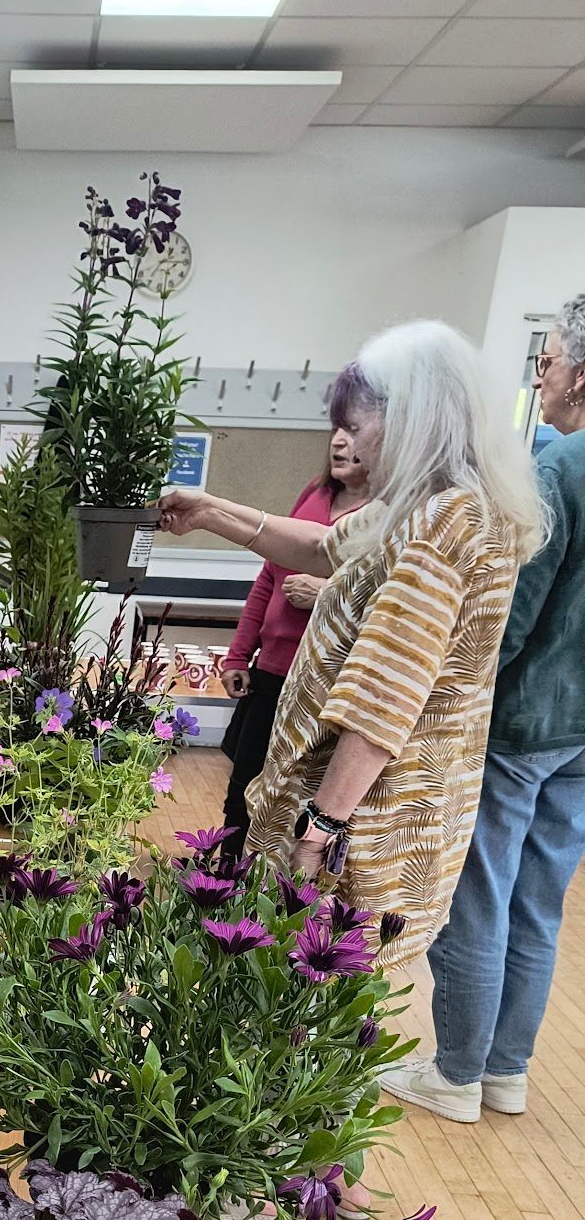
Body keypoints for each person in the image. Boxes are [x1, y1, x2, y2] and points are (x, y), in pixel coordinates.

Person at [159, 319, 546, 975]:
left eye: (362, 423)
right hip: (375, 806)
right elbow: (319, 546)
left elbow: (385, 693)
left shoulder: (445, 519)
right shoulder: (429, 502)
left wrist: (319, 832)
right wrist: (209, 511)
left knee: (304, 991)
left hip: (361, 818)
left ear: (410, 418)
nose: (355, 442)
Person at [383, 296, 585, 1123]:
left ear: (582, 375)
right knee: (541, 899)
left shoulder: (560, 469)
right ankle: (506, 1071)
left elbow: (510, 611)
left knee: (479, 891)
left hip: (521, 724)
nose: (541, 379)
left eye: (549, 363)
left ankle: (457, 1073)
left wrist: (446, 703)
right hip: (581, 735)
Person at [219, 427, 370, 844]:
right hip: (270, 672)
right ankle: (222, 887)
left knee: (294, 799)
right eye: (336, 429)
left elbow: (386, 594)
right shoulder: (314, 495)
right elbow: (268, 576)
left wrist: (325, 593)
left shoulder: (389, 511)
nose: (339, 441)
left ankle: (275, 896)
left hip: (326, 684)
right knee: (242, 788)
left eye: (354, 430)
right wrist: (238, 655)